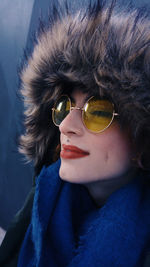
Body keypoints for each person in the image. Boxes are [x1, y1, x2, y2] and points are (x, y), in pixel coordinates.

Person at [1, 0, 150, 266]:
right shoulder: (42, 199)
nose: (66, 125)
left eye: (98, 111)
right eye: (63, 106)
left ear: (142, 139)